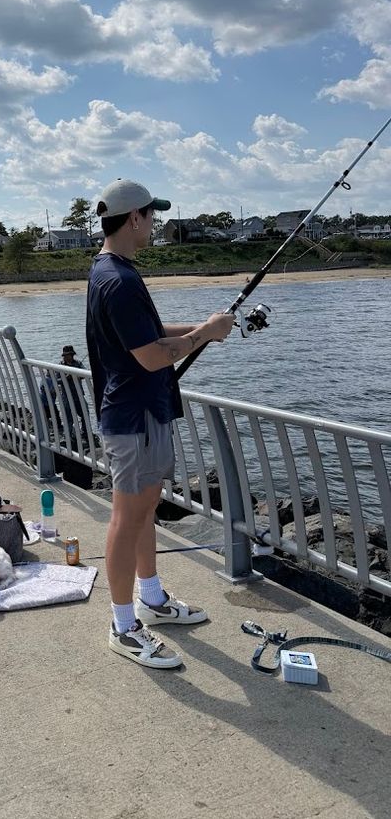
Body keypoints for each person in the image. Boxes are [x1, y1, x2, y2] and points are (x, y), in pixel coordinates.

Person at [86, 179, 235, 669]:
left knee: (144, 510)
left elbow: (146, 336)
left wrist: (203, 331)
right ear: (135, 219)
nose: (154, 224)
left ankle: (152, 599)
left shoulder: (109, 271)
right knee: (126, 519)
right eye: (151, 216)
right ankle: (123, 625)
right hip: (132, 418)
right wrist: (201, 336)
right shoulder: (121, 281)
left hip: (140, 414)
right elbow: (151, 357)